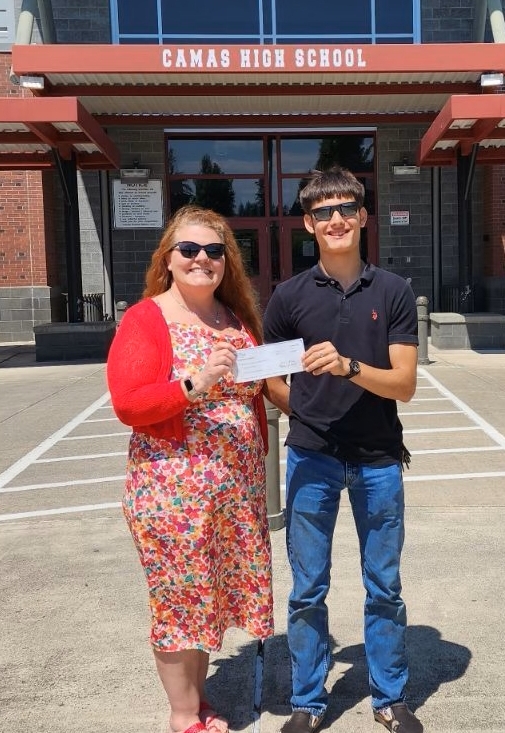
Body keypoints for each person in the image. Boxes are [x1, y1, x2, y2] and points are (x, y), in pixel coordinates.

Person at [262, 166, 422, 733]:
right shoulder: (289, 296)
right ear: (309, 224)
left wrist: (349, 367)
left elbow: (404, 384)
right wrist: (308, 413)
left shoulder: (393, 291)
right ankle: (307, 701)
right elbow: (272, 381)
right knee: (308, 589)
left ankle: (389, 697)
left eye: (346, 208)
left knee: (385, 587)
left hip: (378, 460)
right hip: (312, 458)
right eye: (324, 211)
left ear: (363, 216)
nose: (336, 219)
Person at [107, 204, 274, 733]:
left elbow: (259, 390)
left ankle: (199, 700)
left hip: (234, 492)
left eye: (214, 250)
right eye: (189, 248)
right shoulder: (147, 318)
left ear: (227, 261)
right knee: (179, 600)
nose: (202, 258)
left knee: (208, 598)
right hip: (173, 491)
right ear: (168, 258)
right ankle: (183, 715)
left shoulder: (235, 317)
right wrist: (194, 383)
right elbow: (128, 403)